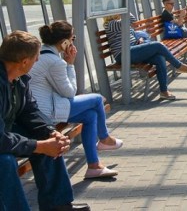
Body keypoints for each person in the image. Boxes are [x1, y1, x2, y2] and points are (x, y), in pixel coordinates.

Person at [1, 30, 91, 211]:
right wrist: (39, 146)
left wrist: (50, 132)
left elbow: (29, 110)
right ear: (24, 61)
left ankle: (58, 205)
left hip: (6, 130)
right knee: (5, 162)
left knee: (50, 141)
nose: (37, 61)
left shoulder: (19, 79)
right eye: (36, 57)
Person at [29, 21, 122, 180]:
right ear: (63, 42)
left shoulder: (43, 55)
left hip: (45, 108)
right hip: (47, 113)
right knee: (97, 99)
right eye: (72, 38)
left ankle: (94, 166)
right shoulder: (54, 62)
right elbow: (69, 92)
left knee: (91, 115)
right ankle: (105, 138)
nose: (73, 42)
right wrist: (70, 64)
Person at [103, 14, 187, 101]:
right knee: (158, 45)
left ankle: (164, 91)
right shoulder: (110, 24)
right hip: (123, 54)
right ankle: (178, 66)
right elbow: (131, 20)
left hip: (133, 50)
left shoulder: (120, 22)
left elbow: (132, 29)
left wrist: (139, 40)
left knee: (159, 57)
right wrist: (125, 8)